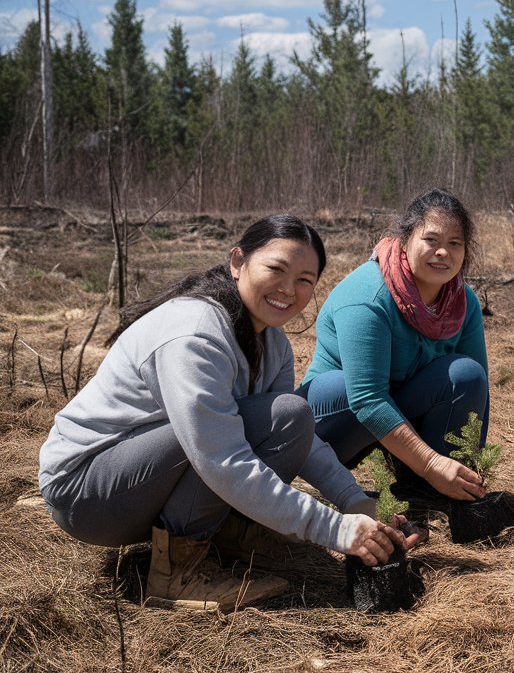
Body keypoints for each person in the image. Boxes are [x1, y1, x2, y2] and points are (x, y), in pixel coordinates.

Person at [39, 215, 411, 613]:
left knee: (291, 415)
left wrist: (353, 500)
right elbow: (220, 458)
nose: (289, 290)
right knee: (221, 434)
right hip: (88, 493)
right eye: (276, 269)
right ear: (237, 262)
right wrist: (336, 529)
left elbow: (297, 438)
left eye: (305, 280)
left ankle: (227, 536)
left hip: (145, 481)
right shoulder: (195, 333)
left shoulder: (274, 344)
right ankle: (175, 570)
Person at [298, 188, 489, 505]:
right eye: (431, 240)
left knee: (466, 375)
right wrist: (431, 464)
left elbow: (476, 391)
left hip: (397, 405)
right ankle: (423, 471)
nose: (443, 252)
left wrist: (470, 467)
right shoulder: (368, 295)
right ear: (405, 240)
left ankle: (429, 493)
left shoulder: (462, 302)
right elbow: (366, 399)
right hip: (335, 423)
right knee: (350, 388)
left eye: (455, 243)